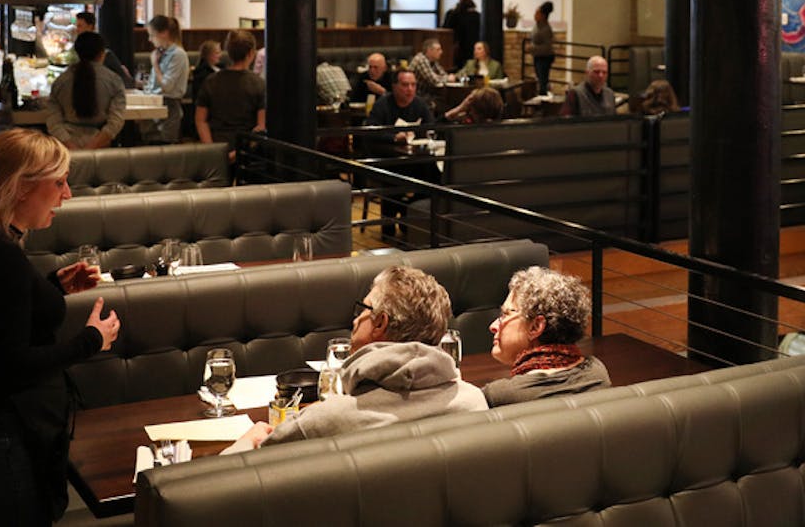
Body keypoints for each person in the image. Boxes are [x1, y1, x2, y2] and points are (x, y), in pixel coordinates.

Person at [0, 129, 121, 525]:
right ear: (21, 188)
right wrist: (92, 340)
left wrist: (52, 287)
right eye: (59, 183)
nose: (67, 194)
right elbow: (11, 364)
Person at [226, 265, 485, 451]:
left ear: (380, 322)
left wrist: (247, 442)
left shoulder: (324, 422)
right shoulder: (473, 403)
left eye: (364, 309)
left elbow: (238, 480)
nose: (355, 319)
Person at [483, 266, 610, 407]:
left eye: (505, 314)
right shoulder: (597, 374)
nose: (493, 326)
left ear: (535, 327)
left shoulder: (498, 396)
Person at [364, 69, 436, 241]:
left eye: (413, 85)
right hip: (387, 160)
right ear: (394, 86)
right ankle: (389, 229)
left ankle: (410, 218)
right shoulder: (383, 104)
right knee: (394, 180)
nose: (410, 89)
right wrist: (394, 137)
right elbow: (370, 131)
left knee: (432, 176)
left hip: (415, 160)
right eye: (405, 85)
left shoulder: (419, 104)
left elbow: (432, 128)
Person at [44, 31, 126, 150]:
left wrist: (70, 145)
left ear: (77, 53)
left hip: (66, 147)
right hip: (101, 146)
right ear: (102, 54)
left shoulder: (61, 81)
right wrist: (91, 147)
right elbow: (115, 122)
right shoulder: (114, 80)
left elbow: (53, 121)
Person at [195, 29, 266, 156]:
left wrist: (212, 149)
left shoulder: (210, 81)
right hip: (246, 150)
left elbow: (200, 120)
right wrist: (238, 152)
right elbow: (261, 126)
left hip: (217, 146)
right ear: (251, 53)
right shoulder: (259, 84)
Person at [140, 15, 187, 143]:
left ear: (164, 33)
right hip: (156, 103)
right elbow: (152, 83)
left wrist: (155, 65)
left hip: (169, 106)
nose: (150, 39)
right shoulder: (161, 53)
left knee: (165, 149)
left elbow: (167, 86)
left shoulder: (178, 54)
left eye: (152, 35)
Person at [74, 11, 132, 85]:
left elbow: (125, 81)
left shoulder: (106, 54)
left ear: (90, 27)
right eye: (76, 26)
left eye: (79, 26)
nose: (77, 30)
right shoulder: (78, 49)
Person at [409, 38, 452, 106]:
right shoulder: (421, 60)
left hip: (426, 94)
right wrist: (448, 78)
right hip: (415, 95)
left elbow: (443, 74)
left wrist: (445, 77)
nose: (441, 52)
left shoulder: (433, 61)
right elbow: (434, 80)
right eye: (438, 49)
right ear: (429, 51)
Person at [530, 0, 556, 95]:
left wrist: (533, 48)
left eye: (537, 13)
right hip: (537, 57)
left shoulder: (546, 29)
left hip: (544, 58)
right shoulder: (537, 26)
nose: (534, 15)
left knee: (543, 81)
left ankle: (543, 99)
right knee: (539, 79)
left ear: (543, 15)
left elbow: (547, 47)